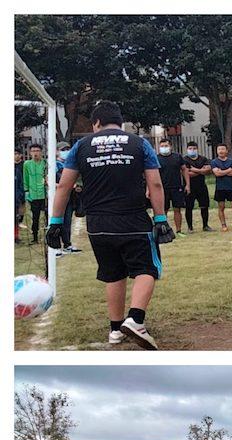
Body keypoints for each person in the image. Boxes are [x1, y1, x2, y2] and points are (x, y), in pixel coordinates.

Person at [46, 102, 171, 350]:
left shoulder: (81, 146)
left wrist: (56, 222)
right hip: (133, 218)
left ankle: (115, 329)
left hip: (98, 223)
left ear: (96, 123)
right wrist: (160, 218)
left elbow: (63, 186)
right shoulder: (139, 143)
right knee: (147, 268)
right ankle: (136, 319)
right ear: (121, 123)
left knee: (113, 273)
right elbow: (155, 185)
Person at [52, 142, 82, 255]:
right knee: (57, 223)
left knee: (67, 222)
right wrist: (63, 186)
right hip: (57, 198)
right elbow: (48, 181)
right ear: (57, 151)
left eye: (68, 149)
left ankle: (67, 245)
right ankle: (55, 247)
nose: (66, 151)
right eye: (63, 149)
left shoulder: (71, 164)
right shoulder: (54, 165)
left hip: (69, 198)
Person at [156, 139, 189, 236]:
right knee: (163, 210)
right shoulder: (156, 158)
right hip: (162, 188)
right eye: (162, 146)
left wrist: (187, 184)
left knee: (177, 209)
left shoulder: (177, 157)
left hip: (176, 187)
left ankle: (178, 231)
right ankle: (163, 230)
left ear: (170, 146)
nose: (164, 148)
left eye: (166, 146)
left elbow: (184, 170)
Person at [211, 144, 232, 232]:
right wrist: (228, 170)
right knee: (221, 207)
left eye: (223, 149)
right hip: (220, 188)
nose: (221, 151)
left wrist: (222, 171)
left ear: (227, 151)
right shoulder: (214, 162)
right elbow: (217, 174)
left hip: (230, 187)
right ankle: (223, 225)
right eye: (219, 149)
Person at [181, 142, 214, 233]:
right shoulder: (184, 160)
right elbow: (187, 173)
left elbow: (208, 170)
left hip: (201, 186)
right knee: (189, 207)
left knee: (204, 206)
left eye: (194, 148)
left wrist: (194, 169)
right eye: (190, 148)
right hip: (189, 187)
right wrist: (201, 170)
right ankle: (190, 227)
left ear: (197, 149)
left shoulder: (203, 158)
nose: (192, 150)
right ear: (187, 149)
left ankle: (205, 225)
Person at [23, 143, 47, 244]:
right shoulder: (27, 164)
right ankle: (35, 237)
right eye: (33, 151)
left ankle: (48, 236)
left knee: (47, 215)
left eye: (37, 151)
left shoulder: (45, 163)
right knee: (35, 217)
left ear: (41, 152)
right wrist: (27, 191)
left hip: (45, 195)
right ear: (30, 153)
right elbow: (26, 178)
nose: (35, 153)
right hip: (33, 195)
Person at [14, 149, 26, 245]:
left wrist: (21, 195)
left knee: (16, 217)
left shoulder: (19, 168)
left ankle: (15, 236)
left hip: (16, 197)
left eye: (17, 154)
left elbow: (20, 184)